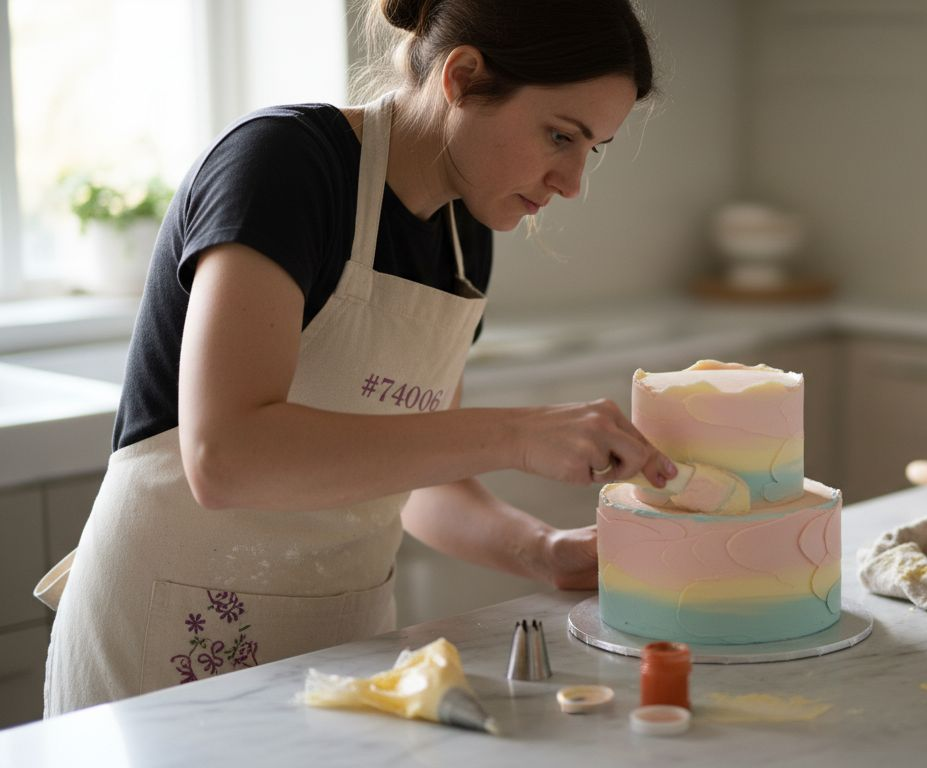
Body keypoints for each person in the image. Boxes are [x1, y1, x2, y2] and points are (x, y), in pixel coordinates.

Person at [36, 0, 672, 716]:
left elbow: (421, 479)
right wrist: (518, 434)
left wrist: (543, 550)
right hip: (165, 651)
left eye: (592, 149)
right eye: (560, 135)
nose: (572, 182)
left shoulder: (465, 237)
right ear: (462, 77)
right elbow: (227, 456)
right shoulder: (284, 166)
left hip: (337, 655)